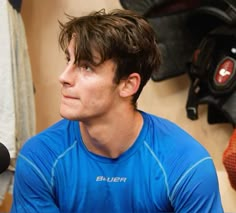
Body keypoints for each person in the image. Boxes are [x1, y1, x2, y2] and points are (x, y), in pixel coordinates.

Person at [11, 8, 224, 213]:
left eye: (86, 67)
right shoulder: (39, 157)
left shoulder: (186, 164)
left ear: (128, 85)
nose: (64, 77)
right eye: (69, 60)